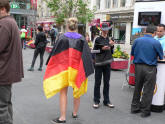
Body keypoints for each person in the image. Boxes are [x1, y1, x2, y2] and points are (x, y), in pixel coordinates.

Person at [43, 17, 94, 123]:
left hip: (64, 69)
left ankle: (62, 117)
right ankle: (74, 113)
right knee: (77, 90)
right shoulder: (82, 38)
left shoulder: (62, 37)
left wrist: (51, 65)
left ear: (67, 26)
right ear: (76, 26)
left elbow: (55, 54)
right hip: (77, 69)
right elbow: (86, 56)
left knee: (63, 92)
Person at [131, 26, 163, 118]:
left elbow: (133, 53)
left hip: (138, 67)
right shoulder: (156, 42)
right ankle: (145, 111)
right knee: (148, 90)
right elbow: (161, 57)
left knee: (137, 88)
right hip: (150, 68)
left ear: (145, 31)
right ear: (154, 33)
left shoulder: (137, 41)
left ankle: (134, 108)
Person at [0, 0, 24, 123]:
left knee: (1, 107)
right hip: (8, 70)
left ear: (3, 9)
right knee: (6, 103)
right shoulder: (12, 22)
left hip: (3, 71)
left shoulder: (4, 24)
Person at [93, 22, 115, 109]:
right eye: (104, 30)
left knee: (107, 83)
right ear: (101, 30)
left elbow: (111, 52)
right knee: (97, 82)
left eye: (107, 30)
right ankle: (96, 100)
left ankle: (106, 101)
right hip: (98, 63)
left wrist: (112, 46)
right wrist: (101, 49)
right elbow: (93, 51)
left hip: (107, 63)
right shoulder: (97, 39)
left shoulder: (110, 39)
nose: (106, 31)